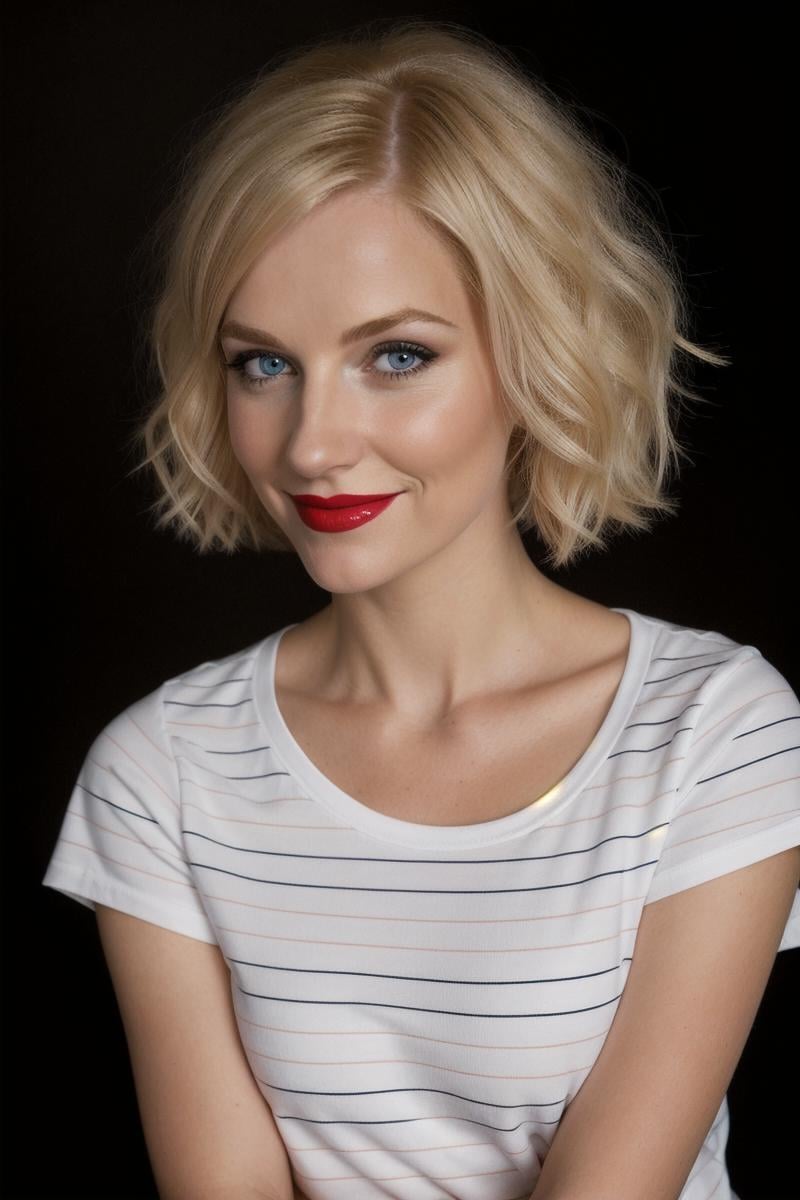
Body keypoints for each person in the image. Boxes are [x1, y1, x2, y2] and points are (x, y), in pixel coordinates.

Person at [41, 17, 799, 1200]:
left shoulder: (712, 733)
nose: (313, 442)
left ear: (531, 351)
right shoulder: (162, 772)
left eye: (394, 355)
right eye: (261, 364)